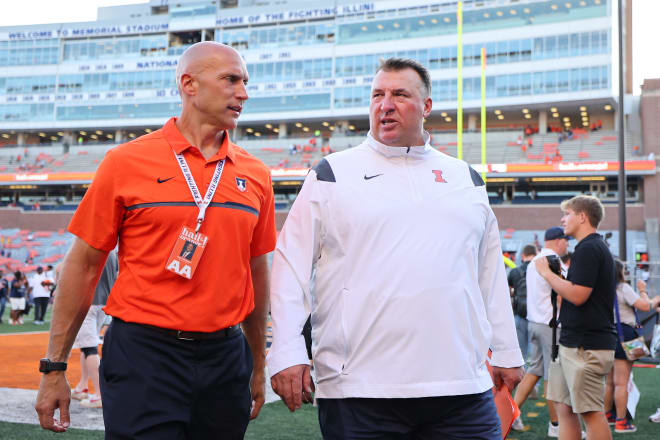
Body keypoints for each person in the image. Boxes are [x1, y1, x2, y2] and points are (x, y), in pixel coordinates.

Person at [267, 58, 524, 439]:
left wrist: (507, 350)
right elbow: (289, 267)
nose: (385, 104)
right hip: (360, 389)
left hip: (462, 387)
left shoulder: (466, 179)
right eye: (377, 95)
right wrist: (286, 351)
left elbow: (488, 276)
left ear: (427, 106)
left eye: (399, 94)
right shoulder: (332, 173)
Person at [35, 41, 277, 438]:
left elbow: (256, 270)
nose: (244, 93)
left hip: (225, 356)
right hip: (144, 354)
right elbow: (84, 264)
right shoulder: (125, 162)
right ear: (189, 84)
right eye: (231, 80)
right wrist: (54, 367)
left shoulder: (256, 173)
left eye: (245, 82)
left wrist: (257, 362)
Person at [535, 195, 616, 440]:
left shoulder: (590, 248)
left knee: (590, 413)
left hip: (586, 346)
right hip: (574, 343)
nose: (562, 219)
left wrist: (547, 274)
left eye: (567, 214)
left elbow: (578, 295)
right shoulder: (589, 248)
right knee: (564, 409)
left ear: (582, 216)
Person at [512, 227, 569, 437]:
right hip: (550, 325)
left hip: (534, 321)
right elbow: (562, 292)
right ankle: (555, 425)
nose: (568, 244)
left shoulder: (536, 260)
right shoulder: (553, 260)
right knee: (552, 376)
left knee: (534, 371)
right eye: (566, 240)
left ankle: (511, 413)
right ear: (557, 241)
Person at [604, 261, 660, 433]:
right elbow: (645, 306)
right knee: (622, 382)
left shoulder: (602, 288)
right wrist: (649, 294)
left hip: (607, 334)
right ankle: (622, 422)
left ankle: (608, 415)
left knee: (609, 382)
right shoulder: (622, 288)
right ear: (619, 272)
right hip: (625, 334)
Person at [71, 250, 119, 409]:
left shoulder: (91, 249)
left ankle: (100, 394)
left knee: (89, 348)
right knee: (86, 346)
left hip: (88, 302)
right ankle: (82, 386)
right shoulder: (112, 253)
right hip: (103, 303)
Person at [508, 244, 537, 360]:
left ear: (523, 255)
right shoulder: (540, 270)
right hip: (537, 317)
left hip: (520, 314)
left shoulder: (514, 272)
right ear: (535, 255)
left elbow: (508, 291)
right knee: (536, 356)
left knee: (521, 354)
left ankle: (522, 377)